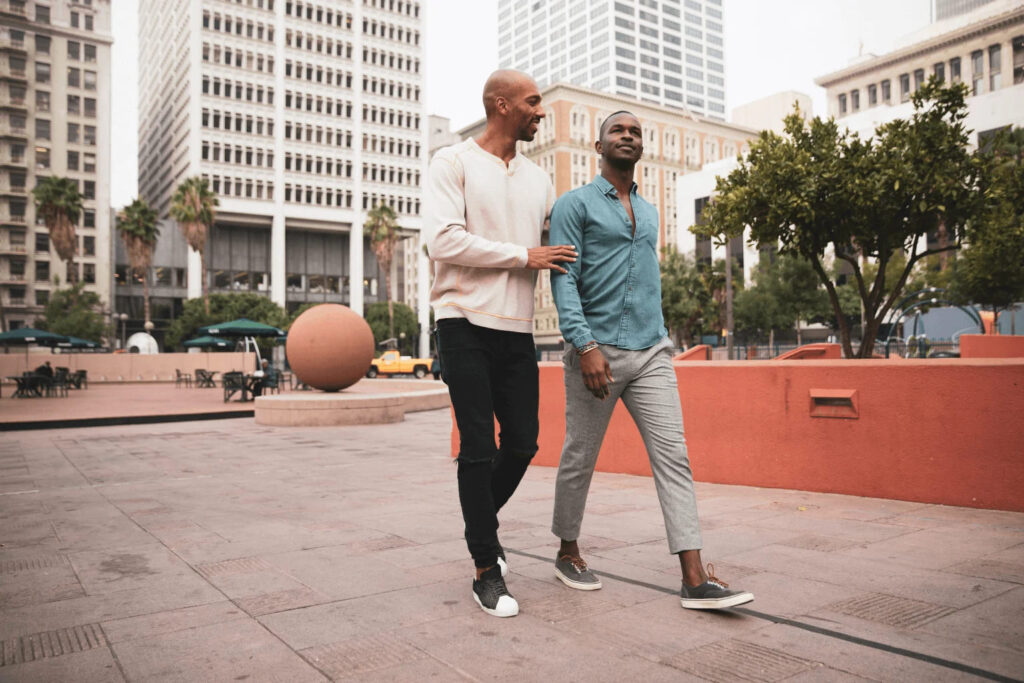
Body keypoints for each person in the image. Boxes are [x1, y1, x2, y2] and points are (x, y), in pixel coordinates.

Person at [548, 111, 754, 610]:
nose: (627, 137)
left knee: (674, 458)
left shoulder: (651, 209)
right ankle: (568, 551)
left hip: (652, 352)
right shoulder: (573, 205)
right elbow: (563, 281)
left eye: (635, 132)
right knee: (581, 456)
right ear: (597, 145)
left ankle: (694, 576)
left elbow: (645, 280)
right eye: (618, 130)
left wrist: (661, 334)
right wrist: (585, 346)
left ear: (642, 147)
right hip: (595, 354)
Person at [425, 70, 577, 618]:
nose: (541, 112)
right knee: (477, 445)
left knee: (522, 443)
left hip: (517, 329)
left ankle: (479, 524)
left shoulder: (539, 180)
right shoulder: (453, 162)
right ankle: (486, 569)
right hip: (461, 319)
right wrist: (523, 255)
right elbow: (440, 238)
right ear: (501, 104)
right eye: (534, 103)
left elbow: (560, 248)